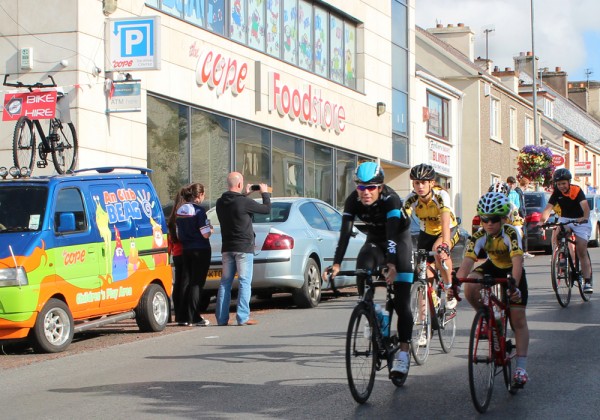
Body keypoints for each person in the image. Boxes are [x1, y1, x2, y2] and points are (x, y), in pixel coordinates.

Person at [323, 161, 414, 378]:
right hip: (374, 241)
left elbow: (392, 235)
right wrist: (336, 264)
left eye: (371, 187)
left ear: (380, 187)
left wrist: (391, 265)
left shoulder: (390, 200)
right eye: (361, 187)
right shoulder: (353, 201)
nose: (365, 192)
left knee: (401, 302)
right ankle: (374, 312)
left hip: (398, 242)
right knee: (362, 268)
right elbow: (344, 235)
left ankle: (403, 353)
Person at [457, 192, 530, 387]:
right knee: (469, 284)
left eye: (494, 219)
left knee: (518, 319)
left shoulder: (511, 232)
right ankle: (487, 316)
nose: (488, 224)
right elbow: (466, 263)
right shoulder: (479, 235)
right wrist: (455, 283)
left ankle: (521, 368)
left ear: (504, 219)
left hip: (512, 270)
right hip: (493, 265)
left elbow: (517, 262)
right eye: (484, 219)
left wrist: (513, 286)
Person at [215, 172, 271, 326]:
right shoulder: (243, 202)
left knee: (225, 282)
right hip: (244, 247)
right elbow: (266, 209)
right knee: (244, 281)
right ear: (239, 185)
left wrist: (244, 194)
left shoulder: (220, 202)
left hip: (227, 247)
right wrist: (264, 193)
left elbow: (236, 204)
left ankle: (221, 318)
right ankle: (242, 317)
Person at [404, 163, 459, 310]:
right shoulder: (411, 199)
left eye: (423, 182)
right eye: (416, 183)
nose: (420, 186)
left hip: (447, 230)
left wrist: (445, 244)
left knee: (439, 251)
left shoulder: (441, 196)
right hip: (426, 233)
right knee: (422, 276)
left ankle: (449, 289)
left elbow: (445, 221)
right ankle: (424, 329)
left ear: (432, 183)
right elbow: (401, 223)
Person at [539, 168, 592, 294]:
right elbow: (548, 208)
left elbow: (585, 206)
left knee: (581, 249)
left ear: (569, 182)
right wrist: (542, 221)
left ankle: (587, 281)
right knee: (560, 232)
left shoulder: (576, 190)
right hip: (566, 218)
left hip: (580, 220)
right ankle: (562, 255)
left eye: (563, 183)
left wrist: (584, 218)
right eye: (559, 184)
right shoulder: (556, 192)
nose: (561, 186)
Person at [176, 183, 213, 327]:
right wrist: (210, 229)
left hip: (186, 249)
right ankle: (195, 317)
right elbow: (205, 234)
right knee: (197, 283)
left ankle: (183, 317)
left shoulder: (180, 210)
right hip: (200, 249)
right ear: (199, 195)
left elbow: (179, 233)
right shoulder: (199, 211)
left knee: (186, 282)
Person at [167, 187, 185, 324]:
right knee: (185, 283)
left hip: (176, 253)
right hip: (184, 251)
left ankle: (178, 313)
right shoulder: (183, 213)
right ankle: (182, 313)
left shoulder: (173, 215)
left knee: (178, 283)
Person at [507, 176, 534, 258]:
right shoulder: (517, 192)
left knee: (520, 233)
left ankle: (522, 250)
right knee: (521, 233)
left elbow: (518, 205)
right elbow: (519, 206)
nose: (512, 185)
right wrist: (522, 215)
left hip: (515, 215)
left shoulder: (515, 192)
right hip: (515, 216)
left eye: (513, 183)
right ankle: (523, 251)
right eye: (510, 183)